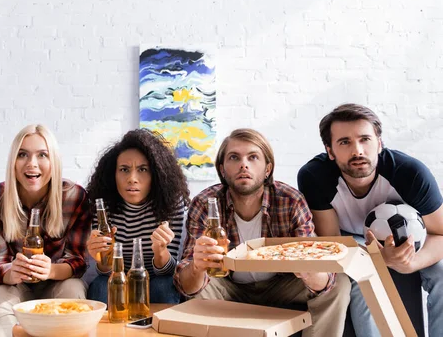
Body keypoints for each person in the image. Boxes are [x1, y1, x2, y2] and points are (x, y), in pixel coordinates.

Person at [175, 128, 350, 337]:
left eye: (253, 157)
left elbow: (319, 268)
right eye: (234, 157)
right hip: (228, 287)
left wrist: (312, 273)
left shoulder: (291, 200)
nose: (244, 164)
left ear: (267, 168)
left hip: (281, 284)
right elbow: (186, 284)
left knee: (338, 284)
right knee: (198, 288)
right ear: (222, 169)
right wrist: (197, 267)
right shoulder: (205, 203)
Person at [298, 103, 443, 336]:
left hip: (411, 243)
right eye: (344, 142)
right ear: (330, 151)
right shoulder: (315, 176)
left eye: (365, 139)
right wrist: (376, 258)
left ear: (379, 143)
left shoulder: (410, 173)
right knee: (360, 276)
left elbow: (440, 233)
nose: (357, 151)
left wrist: (409, 263)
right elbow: (331, 243)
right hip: (348, 242)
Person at [0, 124, 91, 337]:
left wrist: (50, 270)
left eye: (42, 155)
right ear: (13, 162)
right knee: (0, 295)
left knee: (73, 288)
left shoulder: (75, 197)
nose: (32, 164)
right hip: (12, 285)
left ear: (53, 162)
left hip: (56, 281)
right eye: (22, 155)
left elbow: (77, 260)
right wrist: (13, 271)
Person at [86, 129, 189, 304]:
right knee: (100, 286)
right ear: (113, 174)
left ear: (156, 174)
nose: (132, 178)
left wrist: (161, 251)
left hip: (155, 279)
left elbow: (168, 272)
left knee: (164, 286)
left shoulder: (171, 203)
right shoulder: (103, 206)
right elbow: (105, 272)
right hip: (118, 279)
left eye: (142, 169)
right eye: (124, 170)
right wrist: (101, 256)